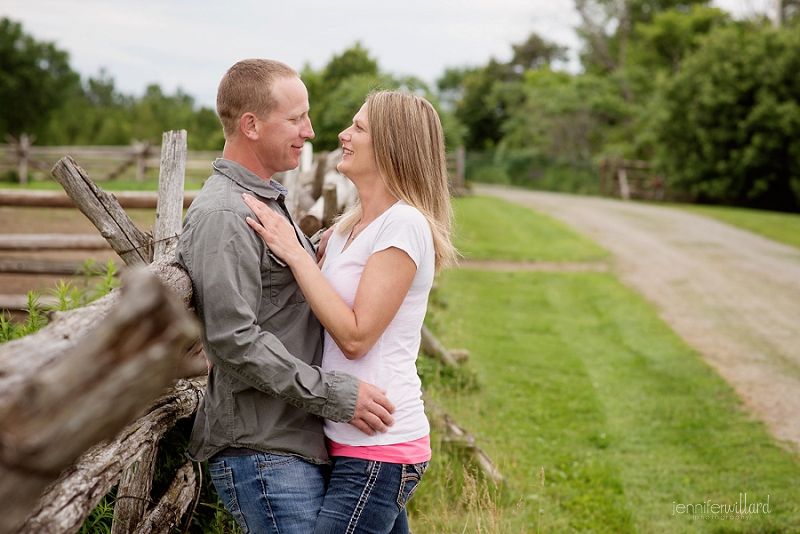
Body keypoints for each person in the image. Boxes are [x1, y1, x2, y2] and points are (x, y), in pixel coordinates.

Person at [175, 59, 396, 534]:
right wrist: (335, 394)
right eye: (296, 118)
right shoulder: (224, 215)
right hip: (263, 450)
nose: (310, 131)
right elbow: (233, 341)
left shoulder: (264, 199)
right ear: (251, 125)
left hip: (291, 443)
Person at [243, 90, 456, 533]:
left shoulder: (405, 224)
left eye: (358, 128)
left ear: (393, 146)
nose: (342, 134)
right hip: (347, 440)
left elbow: (357, 338)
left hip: (380, 446)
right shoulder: (346, 230)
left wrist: (298, 256)